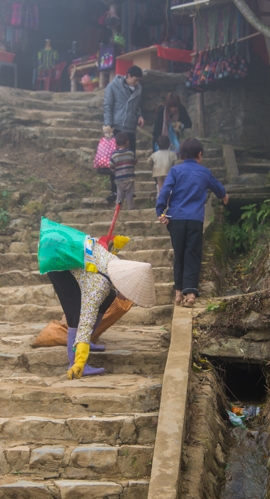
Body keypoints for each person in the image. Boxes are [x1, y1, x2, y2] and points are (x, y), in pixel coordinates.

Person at [64, 241, 156, 379]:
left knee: (110, 297)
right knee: (76, 313)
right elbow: (86, 319)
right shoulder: (99, 286)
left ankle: (88, 340)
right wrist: (80, 361)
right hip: (58, 259)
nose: (127, 298)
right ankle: (74, 362)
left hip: (77, 253)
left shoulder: (116, 265)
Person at [157, 138, 228, 308]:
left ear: (181, 155)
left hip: (176, 219)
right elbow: (218, 189)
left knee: (179, 253)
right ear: (200, 154)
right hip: (195, 219)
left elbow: (164, 191)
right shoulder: (204, 172)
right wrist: (224, 197)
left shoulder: (175, 171)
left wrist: (160, 211)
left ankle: (177, 293)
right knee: (192, 254)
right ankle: (190, 294)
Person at [103, 66, 145, 202]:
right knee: (116, 161)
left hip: (130, 129)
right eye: (135, 80)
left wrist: (139, 116)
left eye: (139, 80)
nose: (137, 83)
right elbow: (108, 106)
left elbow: (138, 106)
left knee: (129, 161)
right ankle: (115, 191)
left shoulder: (138, 89)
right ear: (128, 76)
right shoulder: (113, 86)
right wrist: (108, 126)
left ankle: (128, 191)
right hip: (117, 128)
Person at [110, 132, 137, 210]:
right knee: (129, 194)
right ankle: (130, 208)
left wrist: (114, 171)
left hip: (119, 179)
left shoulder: (114, 155)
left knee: (120, 194)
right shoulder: (131, 153)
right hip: (130, 178)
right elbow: (135, 161)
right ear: (128, 142)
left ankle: (118, 209)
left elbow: (111, 165)